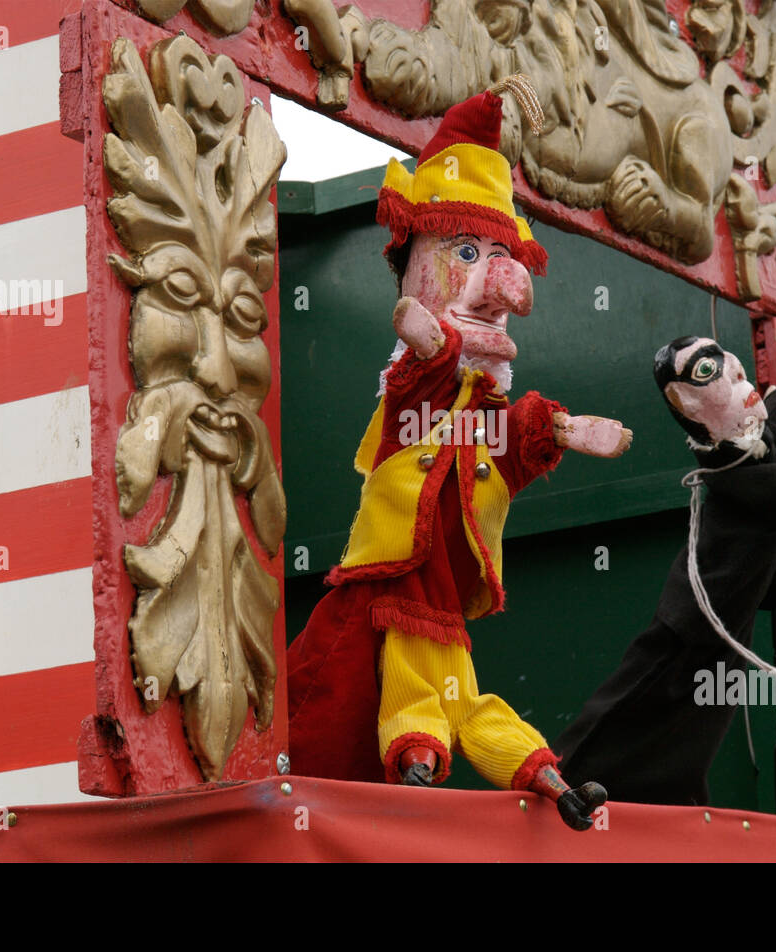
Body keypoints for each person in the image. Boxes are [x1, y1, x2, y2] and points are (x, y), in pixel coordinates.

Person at [287, 78, 631, 830]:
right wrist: (434, 343)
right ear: (415, 253)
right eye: (466, 252)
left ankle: (555, 786)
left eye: (499, 260)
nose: (498, 290)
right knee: (388, 705)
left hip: (442, 612)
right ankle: (415, 762)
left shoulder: (483, 421)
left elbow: (507, 447)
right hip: (382, 594)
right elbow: (419, 379)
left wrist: (563, 431)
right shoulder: (414, 395)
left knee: (470, 706)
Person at [554, 336, 776, 806]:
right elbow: (751, 486)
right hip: (705, 600)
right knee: (652, 678)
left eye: (726, 360)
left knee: (713, 698)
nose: (732, 370)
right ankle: (568, 769)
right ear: (687, 401)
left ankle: (674, 783)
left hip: (738, 603)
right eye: (708, 371)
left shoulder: (758, 430)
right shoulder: (723, 459)